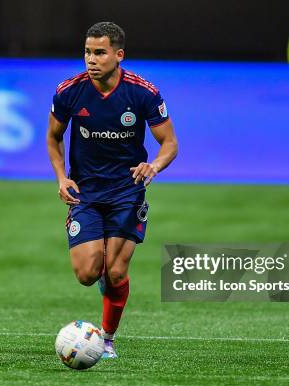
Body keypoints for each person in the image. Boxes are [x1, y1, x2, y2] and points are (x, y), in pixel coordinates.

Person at [46, 22, 178, 359]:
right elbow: (53, 136)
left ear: (118, 55)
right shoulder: (69, 91)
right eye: (88, 52)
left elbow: (169, 143)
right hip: (86, 193)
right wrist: (62, 178)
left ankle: (107, 339)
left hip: (126, 191)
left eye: (100, 52)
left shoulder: (142, 92)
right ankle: (104, 281)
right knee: (88, 274)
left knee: (117, 270)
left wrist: (155, 166)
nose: (91, 59)